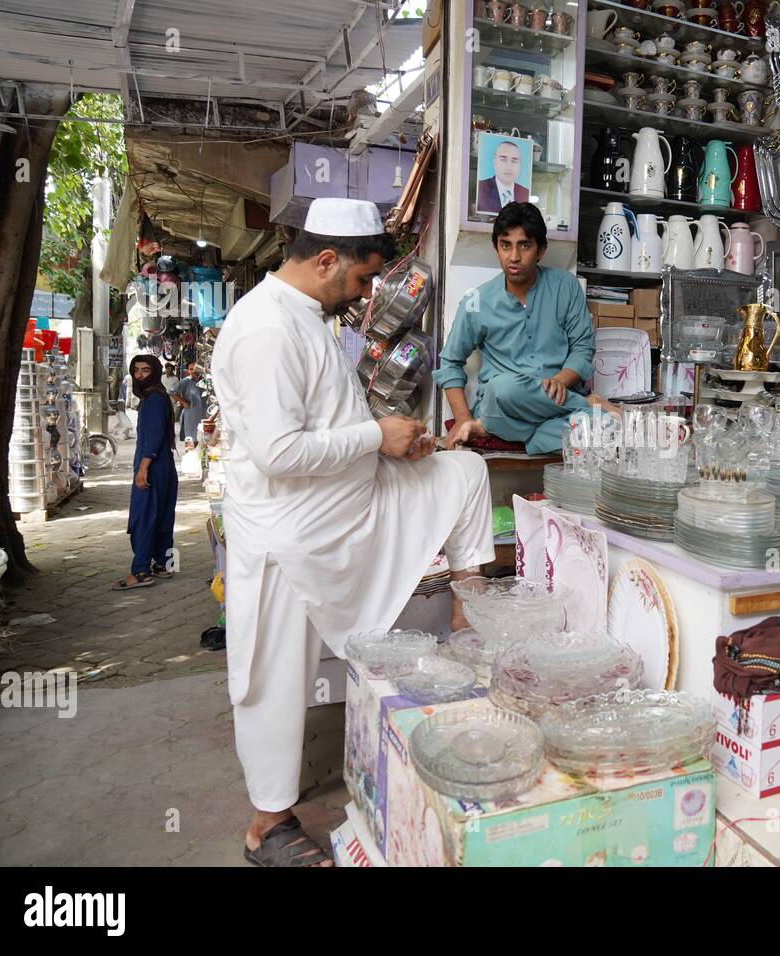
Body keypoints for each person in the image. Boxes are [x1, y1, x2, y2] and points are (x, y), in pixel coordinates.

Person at [212, 197, 494, 868]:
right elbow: (280, 452)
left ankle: (471, 618)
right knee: (274, 676)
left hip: (354, 500)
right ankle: (267, 824)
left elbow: (325, 423)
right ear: (328, 259)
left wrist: (399, 446)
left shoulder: (309, 316)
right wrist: (376, 435)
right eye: (364, 280)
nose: (368, 295)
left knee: (464, 474)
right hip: (292, 529)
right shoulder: (265, 330)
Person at [437, 202, 615, 455]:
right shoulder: (477, 301)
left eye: (525, 245)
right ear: (496, 247)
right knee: (503, 389)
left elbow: (583, 348)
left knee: (607, 430)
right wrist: (463, 418)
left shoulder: (566, 286)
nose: (514, 257)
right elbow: (450, 363)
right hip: (504, 406)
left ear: (541, 250)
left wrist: (559, 381)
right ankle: (588, 404)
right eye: (505, 245)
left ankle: (526, 434)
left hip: (556, 402)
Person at [111, 355, 177, 591]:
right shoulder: (158, 396)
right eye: (136, 370)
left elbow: (155, 436)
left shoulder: (153, 400)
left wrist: (143, 468)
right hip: (164, 465)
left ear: (155, 372)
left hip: (153, 466)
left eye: (145, 370)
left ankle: (140, 571)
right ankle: (166, 564)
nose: (139, 375)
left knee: (144, 518)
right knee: (163, 516)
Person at [476, 140, 529, 215]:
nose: (509, 167)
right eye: (503, 160)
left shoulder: (525, 192)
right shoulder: (480, 188)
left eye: (514, 161)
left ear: (520, 165)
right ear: (494, 163)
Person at [171, 363, 208, 450]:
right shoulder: (185, 381)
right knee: (190, 441)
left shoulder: (205, 381)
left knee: (204, 441)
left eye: (195, 369)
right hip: (190, 415)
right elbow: (172, 392)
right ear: (188, 371)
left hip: (203, 415)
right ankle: (189, 458)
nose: (194, 371)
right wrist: (183, 402)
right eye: (191, 369)